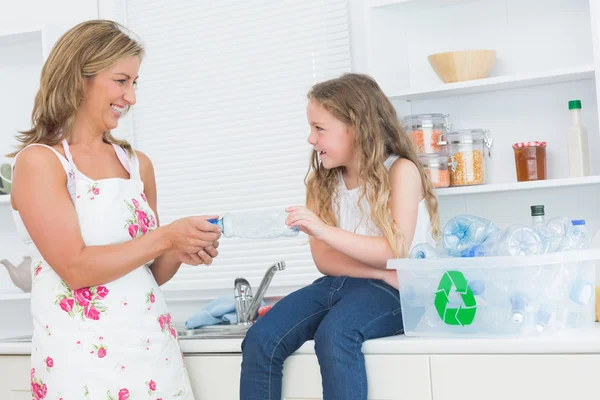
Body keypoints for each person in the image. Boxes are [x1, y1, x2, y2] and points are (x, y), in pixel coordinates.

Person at [10, 20, 221, 399]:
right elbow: (75, 269)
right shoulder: (40, 163)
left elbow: (147, 275)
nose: (132, 97)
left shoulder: (137, 165)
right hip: (80, 362)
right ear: (80, 78)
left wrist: (177, 249)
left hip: (152, 351)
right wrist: (164, 237)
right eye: (121, 81)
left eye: (134, 83)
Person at [239, 73, 440, 399]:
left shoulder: (400, 171)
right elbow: (324, 260)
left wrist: (325, 230)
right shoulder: (322, 182)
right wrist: (379, 269)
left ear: (356, 128)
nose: (310, 139)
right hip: (352, 284)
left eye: (319, 128)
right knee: (261, 338)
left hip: (399, 295)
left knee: (335, 333)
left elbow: (395, 248)